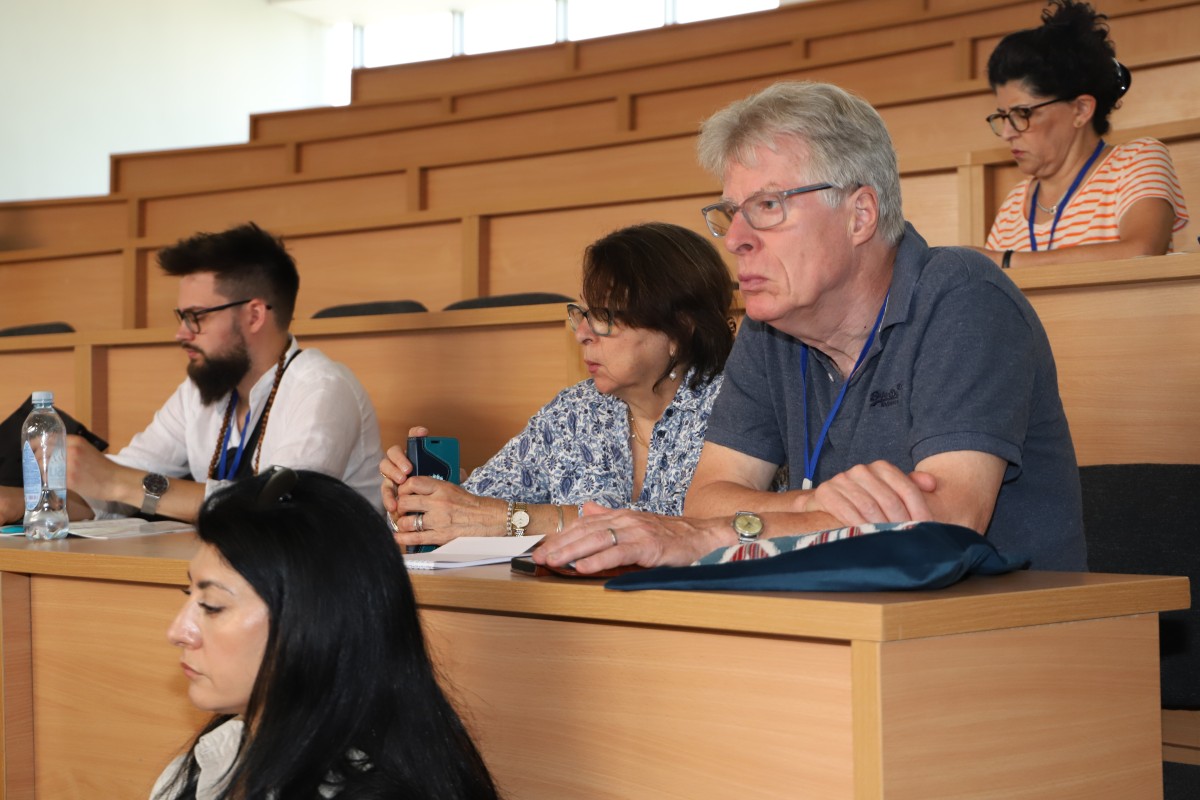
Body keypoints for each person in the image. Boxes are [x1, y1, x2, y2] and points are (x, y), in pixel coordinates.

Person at [535, 80, 1086, 575]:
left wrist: (712, 536)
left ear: (859, 214)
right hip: (840, 611)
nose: (735, 239)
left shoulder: (964, 296)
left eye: (768, 206)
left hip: (1000, 633)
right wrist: (811, 503)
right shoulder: (770, 326)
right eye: (732, 213)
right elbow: (706, 498)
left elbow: (946, 523)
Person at [379, 222, 735, 547]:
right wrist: (422, 499)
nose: (582, 334)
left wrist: (514, 520)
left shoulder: (735, 406)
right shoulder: (576, 410)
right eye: (583, 314)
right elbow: (478, 508)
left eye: (604, 316)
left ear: (680, 328)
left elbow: (701, 529)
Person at [152, 468, 500, 799]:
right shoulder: (202, 767)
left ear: (314, 618)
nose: (178, 632)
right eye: (188, 593)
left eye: (211, 605)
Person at [64, 222, 384, 522]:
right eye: (182, 317)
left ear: (254, 315)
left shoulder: (321, 389)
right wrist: (39, 501)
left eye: (197, 316)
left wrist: (118, 482)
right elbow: (118, 479)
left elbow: (279, 511)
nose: (181, 333)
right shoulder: (200, 391)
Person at [978, 0, 1187, 267]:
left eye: (1023, 113)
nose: (1007, 132)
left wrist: (1004, 260)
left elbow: (1142, 251)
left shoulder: (1136, 161)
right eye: (1004, 116)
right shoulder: (1013, 205)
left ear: (1080, 110)